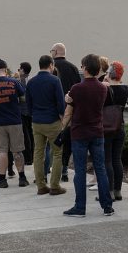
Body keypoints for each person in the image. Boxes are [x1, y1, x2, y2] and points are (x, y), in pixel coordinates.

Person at [62, 54, 113, 217]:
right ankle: (107, 206)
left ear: (85, 67)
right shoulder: (103, 88)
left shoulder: (77, 88)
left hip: (79, 132)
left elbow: (72, 104)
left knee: (80, 170)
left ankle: (80, 207)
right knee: (100, 168)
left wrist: (68, 99)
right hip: (97, 131)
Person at [0, 59, 29, 188]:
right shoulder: (14, 82)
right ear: (6, 69)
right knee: (18, 151)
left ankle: (2, 179)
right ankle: (22, 178)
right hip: (15, 121)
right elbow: (23, 97)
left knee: (2, 151)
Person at [27, 55, 67, 195]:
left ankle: (41, 185)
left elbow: (28, 104)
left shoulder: (31, 82)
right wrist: (63, 119)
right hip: (52, 121)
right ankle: (55, 185)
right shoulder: (55, 80)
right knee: (57, 152)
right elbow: (60, 103)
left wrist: (34, 115)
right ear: (51, 65)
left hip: (37, 122)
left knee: (38, 153)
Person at [51, 43, 81, 183]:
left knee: (52, 141)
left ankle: (50, 168)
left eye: (52, 50)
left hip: (53, 110)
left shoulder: (51, 67)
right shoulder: (73, 68)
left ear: (55, 52)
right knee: (67, 140)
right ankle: (64, 169)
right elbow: (78, 87)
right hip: (70, 108)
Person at [102, 60, 128, 202]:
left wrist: (104, 81)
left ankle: (110, 191)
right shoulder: (125, 89)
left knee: (107, 160)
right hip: (120, 126)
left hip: (106, 128)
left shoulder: (104, 89)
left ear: (109, 74)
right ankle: (118, 191)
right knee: (117, 159)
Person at [18, 62, 35, 166]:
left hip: (23, 111)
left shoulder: (22, 81)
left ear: (23, 70)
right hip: (31, 111)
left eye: (19, 69)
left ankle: (28, 158)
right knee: (31, 134)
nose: (18, 71)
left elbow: (23, 96)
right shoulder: (31, 80)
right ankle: (31, 156)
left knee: (26, 135)